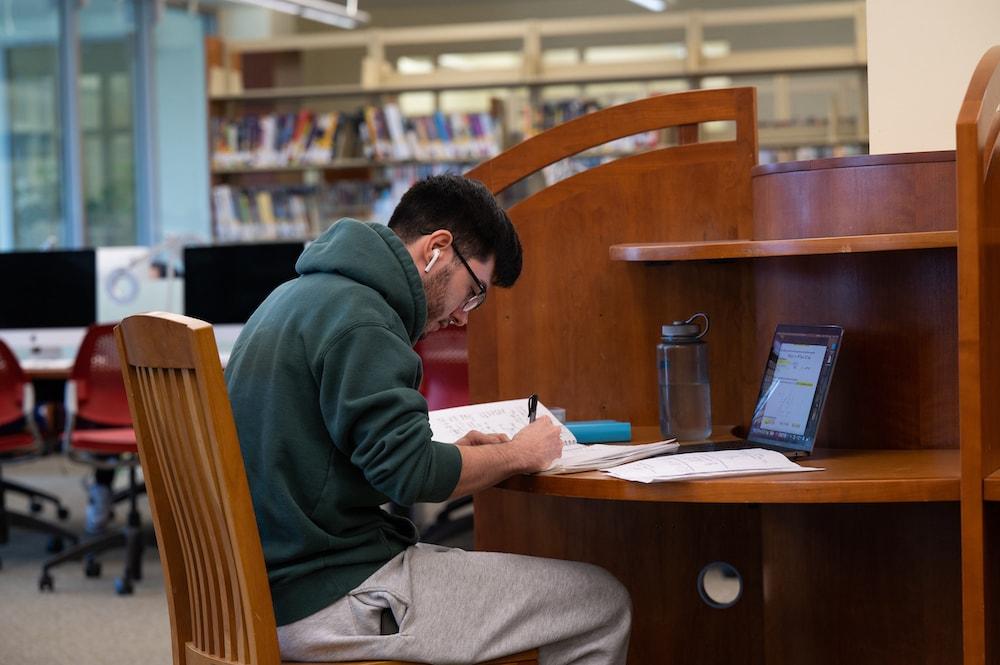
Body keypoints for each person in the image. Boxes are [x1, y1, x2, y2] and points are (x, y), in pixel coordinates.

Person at [224, 174, 632, 665]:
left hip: (269, 589)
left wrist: (464, 455)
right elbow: (408, 475)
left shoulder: (298, 297)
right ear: (436, 248)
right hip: (332, 597)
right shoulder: (366, 321)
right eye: (473, 291)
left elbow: (342, 453)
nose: (463, 316)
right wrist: (519, 453)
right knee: (599, 600)